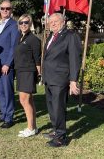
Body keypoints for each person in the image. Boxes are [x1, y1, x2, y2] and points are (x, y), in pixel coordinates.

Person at [42, 12, 81, 147]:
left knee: (59, 108)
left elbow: (74, 59)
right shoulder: (51, 37)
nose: (52, 23)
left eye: (55, 21)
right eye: (50, 21)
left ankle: (61, 138)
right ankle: (55, 130)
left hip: (60, 79)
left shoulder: (70, 36)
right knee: (52, 107)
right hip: (49, 78)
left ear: (63, 22)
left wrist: (73, 80)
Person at [0, 0, 20, 129]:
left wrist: (8, 63)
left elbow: (14, 46)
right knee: (1, 91)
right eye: (2, 8)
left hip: (6, 66)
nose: (5, 11)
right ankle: (3, 114)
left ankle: (9, 117)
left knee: (8, 91)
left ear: (11, 10)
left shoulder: (14, 25)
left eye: (7, 8)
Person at [14, 14, 41, 137]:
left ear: (30, 24)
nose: (23, 25)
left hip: (28, 72)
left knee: (24, 100)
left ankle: (30, 128)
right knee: (29, 100)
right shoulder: (20, 37)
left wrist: (39, 74)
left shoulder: (33, 39)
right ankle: (33, 127)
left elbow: (37, 59)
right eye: (21, 23)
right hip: (20, 71)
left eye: (26, 22)